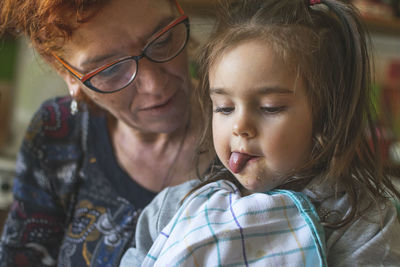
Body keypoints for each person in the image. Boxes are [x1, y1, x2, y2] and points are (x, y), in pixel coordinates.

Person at [120, 0, 400, 266]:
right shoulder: (172, 210)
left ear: (326, 116)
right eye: (225, 108)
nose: (239, 126)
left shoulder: (362, 222)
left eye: (270, 108)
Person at [0, 0, 213, 266]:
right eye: (110, 69)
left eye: (162, 39)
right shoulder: (57, 132)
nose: (154, 85)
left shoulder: (256, 139)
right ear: (65, 72)